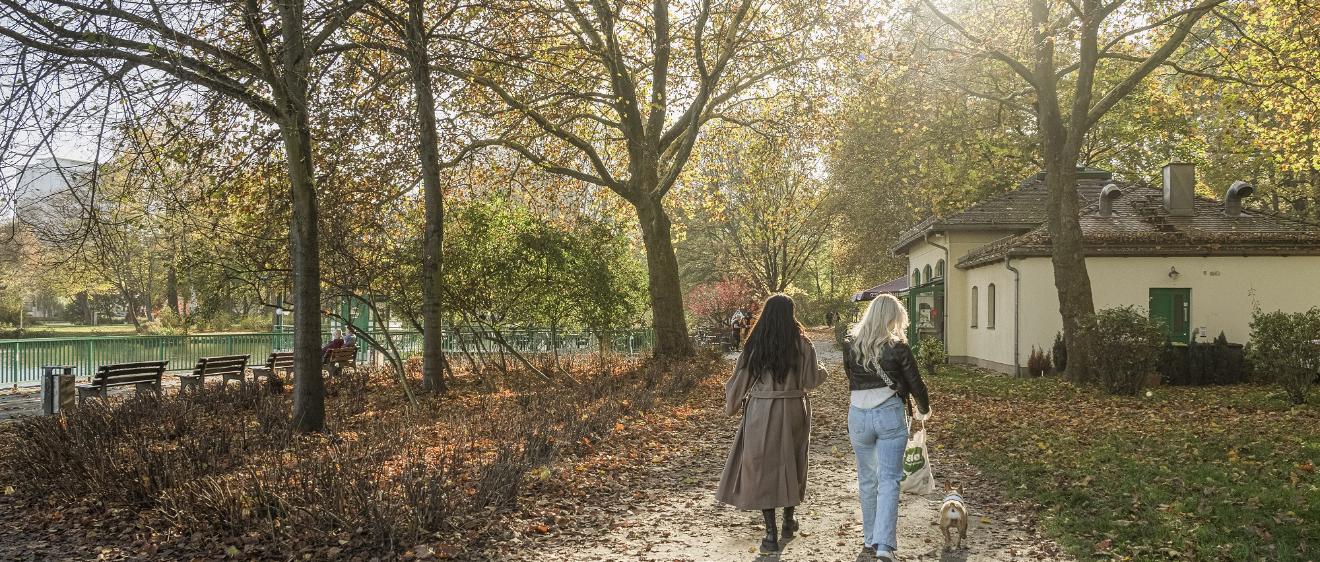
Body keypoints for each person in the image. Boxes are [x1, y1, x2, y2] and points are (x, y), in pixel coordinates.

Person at [716, 294, 827, 554]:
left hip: (761, 411)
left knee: (763, 466)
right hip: (793, 410)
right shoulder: (802, 343)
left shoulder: (756, 343)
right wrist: (822, 369)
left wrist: (731, 405)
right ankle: (788, 521)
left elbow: (740, 378)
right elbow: (811, 380)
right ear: (790, 314)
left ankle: (770, 533)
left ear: (766, 313)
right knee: (793, 462)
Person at [841, 294, 931, 562]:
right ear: (893, 317)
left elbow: (850, 376)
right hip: (889, 413)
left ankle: (870, 538)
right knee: (889, 480)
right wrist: (923, 409)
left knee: (867, 479)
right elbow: (915, 382)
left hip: (858, 414)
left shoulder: (851, 345)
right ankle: (884, 546)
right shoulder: (898, 347)